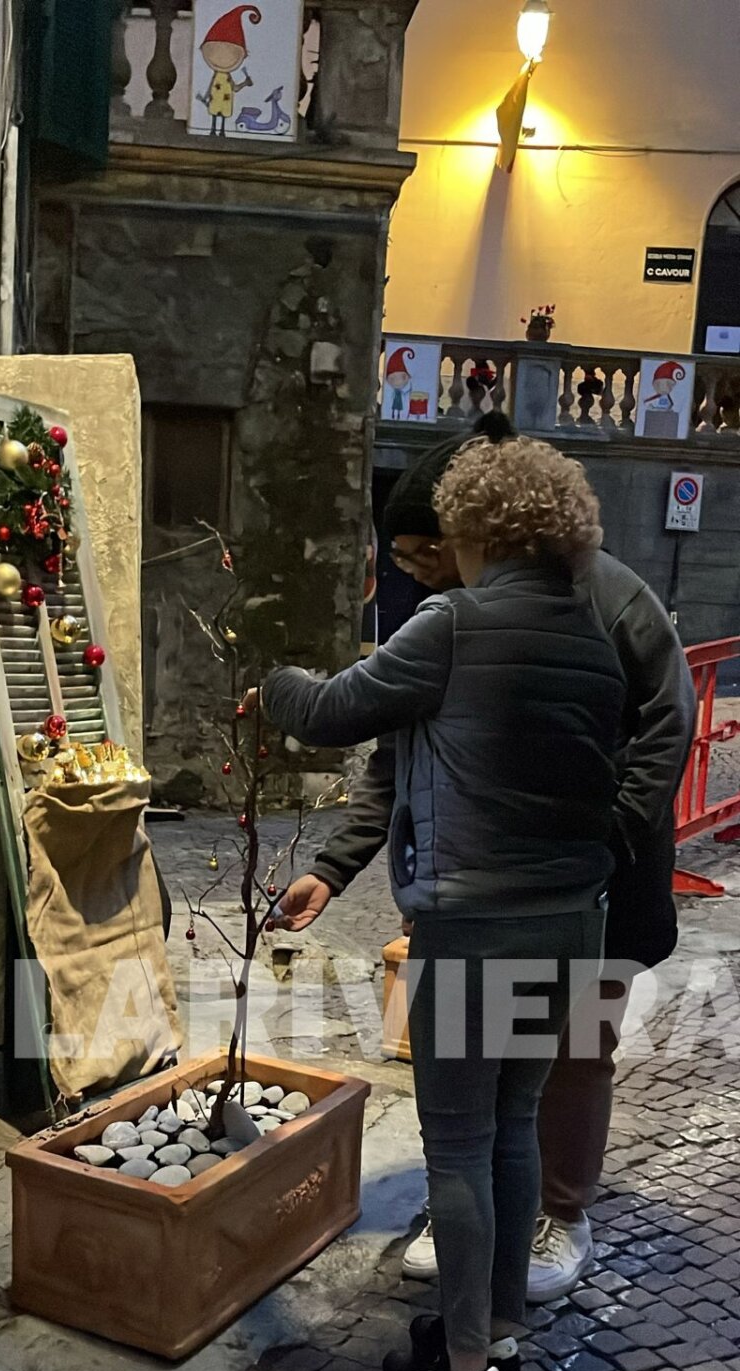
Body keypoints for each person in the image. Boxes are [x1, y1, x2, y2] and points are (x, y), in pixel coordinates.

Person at [277, 416, 695, 1305]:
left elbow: (671, 722)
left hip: (596, 880)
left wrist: (606, 831)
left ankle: (559, 1213)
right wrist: (340, 860)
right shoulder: (451, 613)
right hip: (496, 886)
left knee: (575, 1048)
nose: (414, 576)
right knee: (488, 1076)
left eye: (425, 555)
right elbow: (403, 744)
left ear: (474, 536)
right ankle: (481, 1230)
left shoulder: (608, 600)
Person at [256, 433, 627, 1371]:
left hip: (476, 934)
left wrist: (273, 678)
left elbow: (335, 711)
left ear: (474, 527)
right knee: (509, 1131)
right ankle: (496, 1332)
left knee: (457, 1145)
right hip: (569, 931)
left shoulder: (452, 624)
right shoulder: (594, 637)